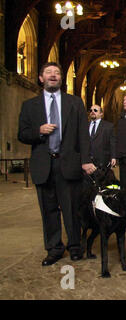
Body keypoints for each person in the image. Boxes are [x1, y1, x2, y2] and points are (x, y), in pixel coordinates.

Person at [17, 62, 96, 266]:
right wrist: (39, 131)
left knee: (72, 209)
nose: (53, 75)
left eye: (57, 73)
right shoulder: (30, 106)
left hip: (68, 163)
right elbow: (22, 134)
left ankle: (75, 246)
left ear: (61, 78)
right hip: (44, 165)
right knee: (49, 209)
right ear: (41, 78)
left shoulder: (75, 103)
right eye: (48, 72)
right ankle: (54, 249)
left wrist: (86, 161)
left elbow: (83, 136)